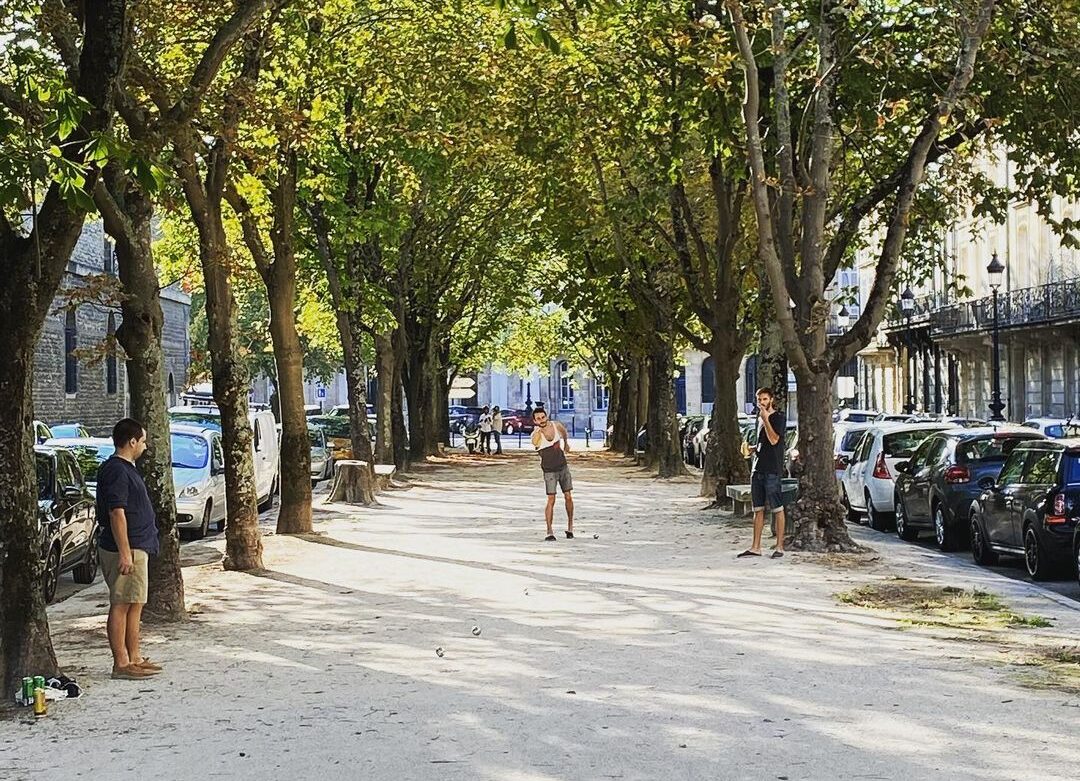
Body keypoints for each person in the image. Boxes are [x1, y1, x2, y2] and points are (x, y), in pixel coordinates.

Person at [96, 418, 162, 679]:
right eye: (143, 441)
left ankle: (134, 656)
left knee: (135, 603)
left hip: (139, 545)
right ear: (132, 441)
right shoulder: (116, 470)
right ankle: (121, 663)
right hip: (125, 548)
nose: (145, 446)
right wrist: (124, 552)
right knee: (122, 603)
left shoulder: (127, 468)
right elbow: (116, 512)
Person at [738, 387, 787, 559]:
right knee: (758, 509)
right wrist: (753, 449)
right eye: (759, 400)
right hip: (757, 468)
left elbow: (774, 440)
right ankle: (755, 547)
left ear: (771, 399)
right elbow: (764, 443)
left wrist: (766, 419)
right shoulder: (759, 419)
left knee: (777, 508)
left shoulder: (778, 418)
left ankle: (780, 546)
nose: (761, 403)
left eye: (765, 399)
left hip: (772, 469)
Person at [530, 408, 574, 541]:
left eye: (543, 417)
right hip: (549, 470)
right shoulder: (535, 433)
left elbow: (564, 431)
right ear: (535, 421)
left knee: (568, 496)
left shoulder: (556, 425)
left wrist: (566, 443)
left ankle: (570, 527)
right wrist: (538, 432)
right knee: (551, 499)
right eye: (538, 419)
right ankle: (549, 531)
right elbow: (535, 442)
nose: (541, 420)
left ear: (546, 416)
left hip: (563, 466)